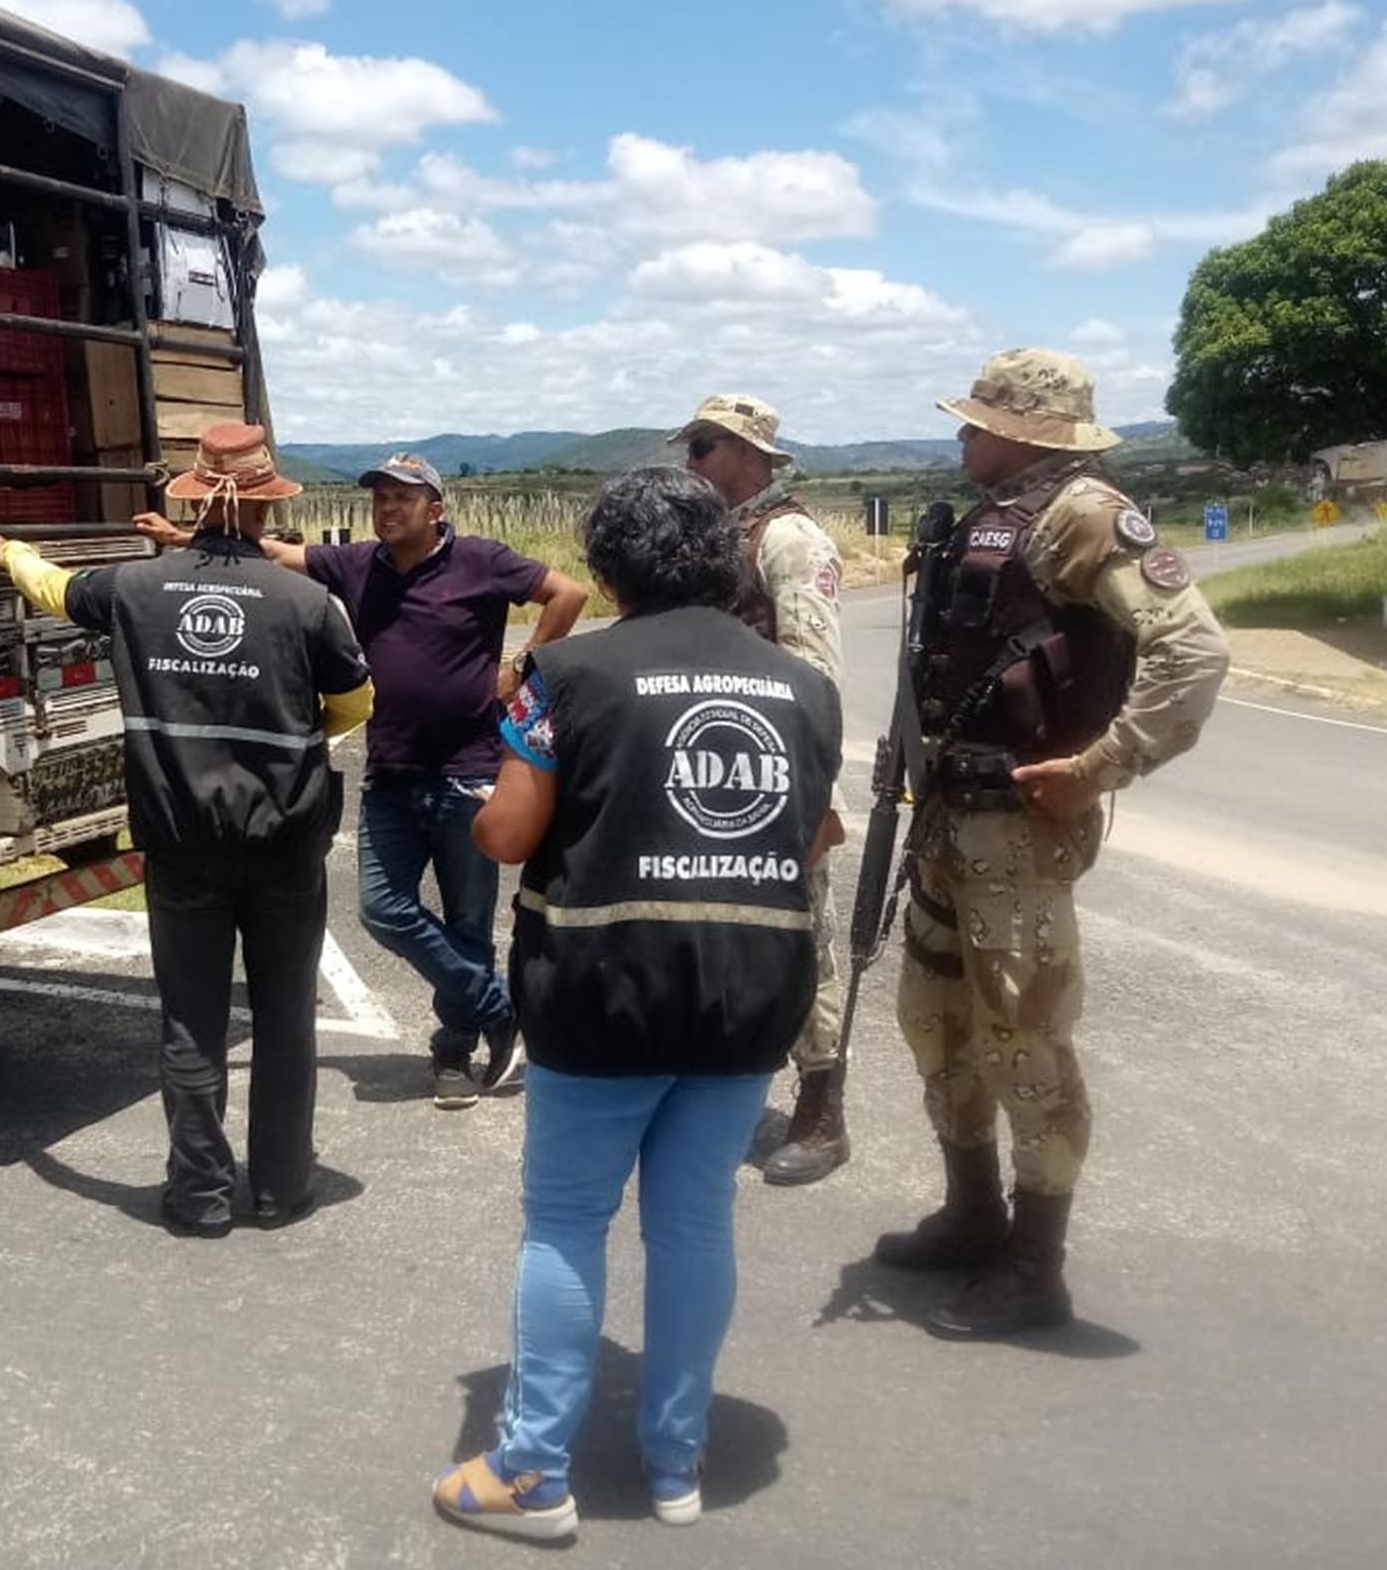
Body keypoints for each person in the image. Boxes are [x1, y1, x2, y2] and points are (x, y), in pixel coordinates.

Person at [431, 467, 842, 1541]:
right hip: (750, 993)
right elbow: (814, 838)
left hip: (600, 991)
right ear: (722, 559)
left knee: (568, 1223)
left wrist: (486, 813)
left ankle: (532, 1472)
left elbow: (509, 835)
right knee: (695, 1222)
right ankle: (676, 1461)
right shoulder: (804, 687)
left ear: (608, 571)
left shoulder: (566, 674)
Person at [877, 349, 1229, 1337]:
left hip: (1019, 833)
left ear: (1025, 430)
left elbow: (1194, 649)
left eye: (978, 421)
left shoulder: (1083, 513)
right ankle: (973, 1217)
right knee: (934, 1020)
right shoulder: (993, 516)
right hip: (949, 816)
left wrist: (1103, 764)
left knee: (1022, 1038)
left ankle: (1037, 1267)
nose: (961, 435)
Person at [0, 424, 374, 1238]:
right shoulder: (305, 604)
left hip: (181, 843)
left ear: (192, 501)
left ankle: (199, 1196)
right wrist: (296, 736)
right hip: (284, 843)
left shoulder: (134, 588)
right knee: (284, 1018)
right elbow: (356, 703)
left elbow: (55, 589)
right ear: (266, 507)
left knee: (191, 1019)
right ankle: (281, 1188)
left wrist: (8, 551)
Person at [139, 453, 587, 1109]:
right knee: (382, 910)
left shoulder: (481, 560)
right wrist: (183, 539)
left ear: (436, 509)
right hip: (391, 773)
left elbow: (568, 593)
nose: (388, 508)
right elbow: (274, 556)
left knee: (467, 923)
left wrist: (522, 666)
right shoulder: (356, 565)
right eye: (380, 498)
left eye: (403, 498)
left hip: (469, 772)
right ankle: (499, 1008)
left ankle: (453, 1054)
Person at [670, 394, 853, 1186]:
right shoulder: (718, 536)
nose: (691, 463)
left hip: (775, 774)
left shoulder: (789, 538)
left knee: (803, 936)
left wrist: (810, 793)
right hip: (714, 765)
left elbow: (814, 672)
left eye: (704, 447)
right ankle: (728, 1089)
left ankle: (822, 1107)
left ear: (749, 454)